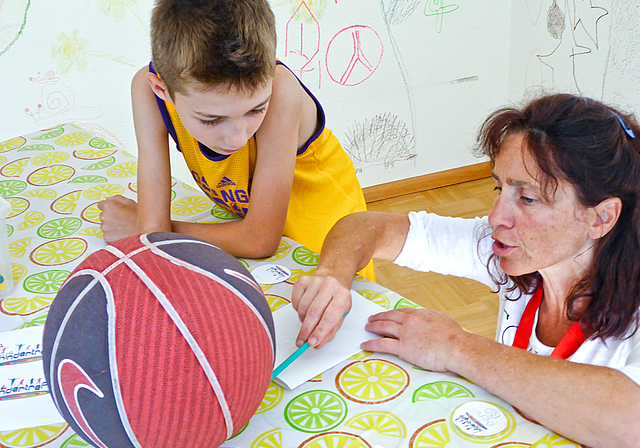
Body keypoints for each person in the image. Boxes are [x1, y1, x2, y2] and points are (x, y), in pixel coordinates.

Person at [291, 94, 640, 447]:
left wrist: (456, 346)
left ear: (601, 217)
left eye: (527, 199)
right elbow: (365, 226)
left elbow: (630, 421)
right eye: (499, 188)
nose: (495, 217)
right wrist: (332, 275)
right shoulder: (512, 253)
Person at [97, 0, 374, 280]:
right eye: (212, 119)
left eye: (256, 109)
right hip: (248, 235)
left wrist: (148, 228)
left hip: (324, 238)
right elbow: (153, 231)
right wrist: (152, 230)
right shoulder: (147, 92)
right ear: (162, 89)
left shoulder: (282, 93)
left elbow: (259, 241)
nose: (238, 137)